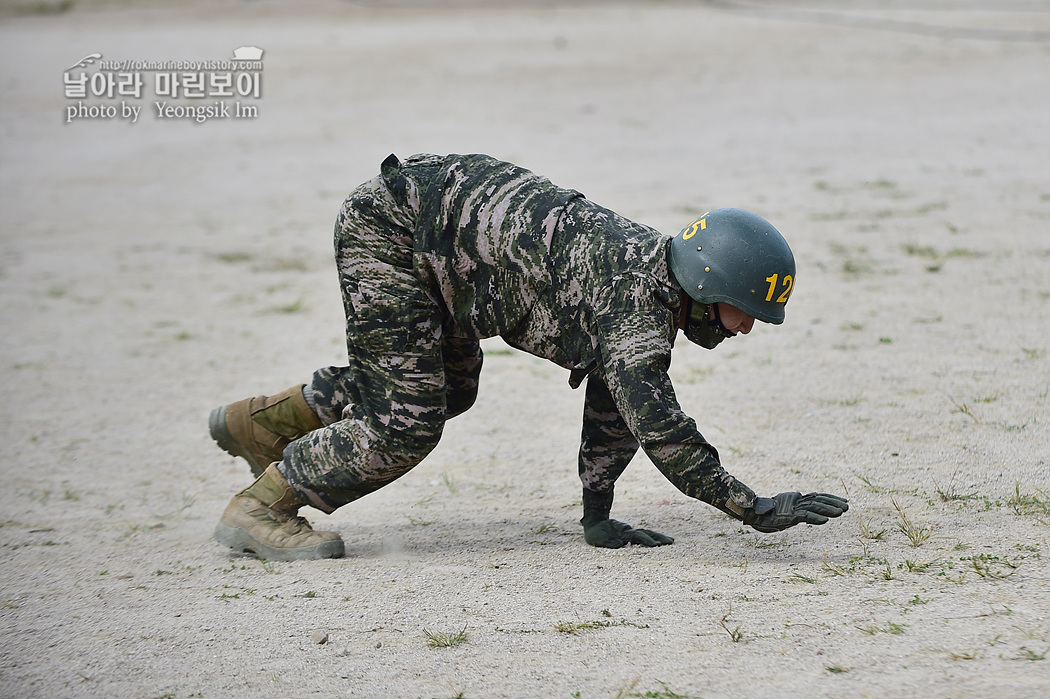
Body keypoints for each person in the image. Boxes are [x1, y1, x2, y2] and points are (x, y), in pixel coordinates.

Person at [209, 153, 849, 561]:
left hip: (443, 246)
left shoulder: (651, 281)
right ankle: (264, 506)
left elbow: (614, 400)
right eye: (748, 312)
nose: (748, 329)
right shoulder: (636, 317)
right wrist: (754, 509)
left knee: (448, 388)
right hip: (396, 233)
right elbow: (666, 434)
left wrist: (598, 515)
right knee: (406, 421)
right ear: (710, 289)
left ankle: (261, 424)